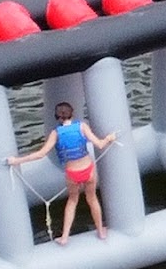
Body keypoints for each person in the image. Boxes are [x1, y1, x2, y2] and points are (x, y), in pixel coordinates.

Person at [9, 101, 116, 243]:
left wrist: (16, 160)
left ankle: (65, 237)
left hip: (72, 174)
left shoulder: (56, 133)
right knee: (92, 199)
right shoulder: (82, 126)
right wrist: (109, 138)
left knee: (72, 201)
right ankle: (101, 231)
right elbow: (100, 144)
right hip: (88, 170)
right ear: (72, 113)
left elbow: (41, 154)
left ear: (57, 117)